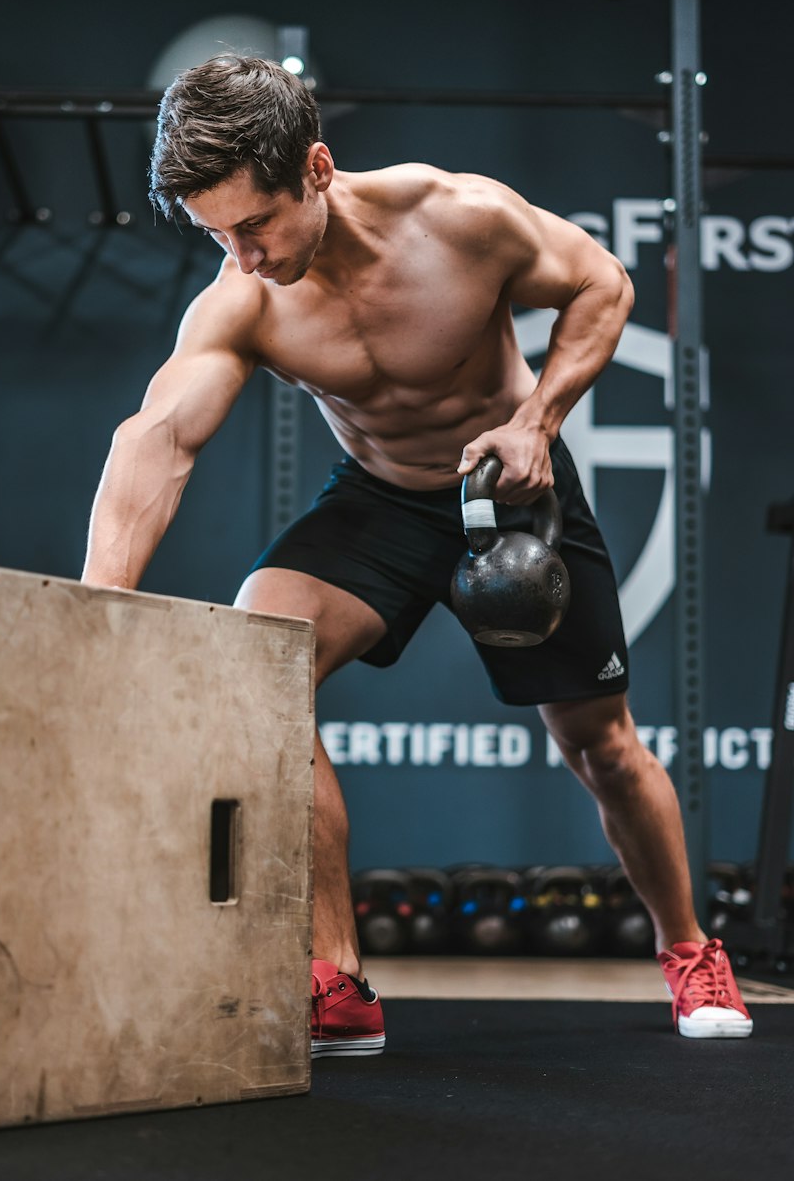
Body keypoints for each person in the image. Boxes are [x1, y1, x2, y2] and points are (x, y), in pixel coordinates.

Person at [81, 55, 752, 1054]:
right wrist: (97, 605)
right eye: (216, 234)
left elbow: (599, 282)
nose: (244, 255)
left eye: (254, 224)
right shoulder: (241, 299)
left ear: (314, 167)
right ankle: (336, 975)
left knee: (600, 746)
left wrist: (537, 419)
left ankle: (690, 947)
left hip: (511, 488)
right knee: (257, 661)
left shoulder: (458, 218)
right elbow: (159, 436)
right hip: (382, 497)